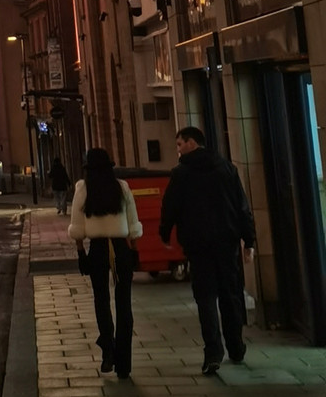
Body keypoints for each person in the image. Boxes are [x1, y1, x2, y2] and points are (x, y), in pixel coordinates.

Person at [159, 125, 255, 374]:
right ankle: (236, 346)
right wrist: (249, 240)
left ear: (192, 143)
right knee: (230, 295)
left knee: (205, 297)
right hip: (227, 242)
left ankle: (213, 352)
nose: (178, 150)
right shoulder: (226, 168)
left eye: (180, 144)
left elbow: (170, 206)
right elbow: (242, 206)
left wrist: (165, 232)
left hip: (198, 244)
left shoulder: (181, 174)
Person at [68, 148, 142, 379]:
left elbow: (77, 226)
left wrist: (81, 253)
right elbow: (132, 222)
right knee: (124, 302)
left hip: (98, 249)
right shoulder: (122, 187)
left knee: (101, 299)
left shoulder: (83, 189)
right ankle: (124, 363)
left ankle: (108, 348)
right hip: (120, 247)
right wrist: (134, 251)